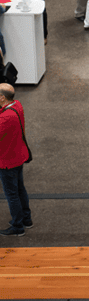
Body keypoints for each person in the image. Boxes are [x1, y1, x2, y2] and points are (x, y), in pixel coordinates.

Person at [0, 83, 31, 237]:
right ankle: (27, 219)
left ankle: (17, 226)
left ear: (2, 98)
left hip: (7, 161)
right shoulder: (17, 105)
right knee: (20, 189)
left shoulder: (6, 117)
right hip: (18, 155)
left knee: (12, 194)